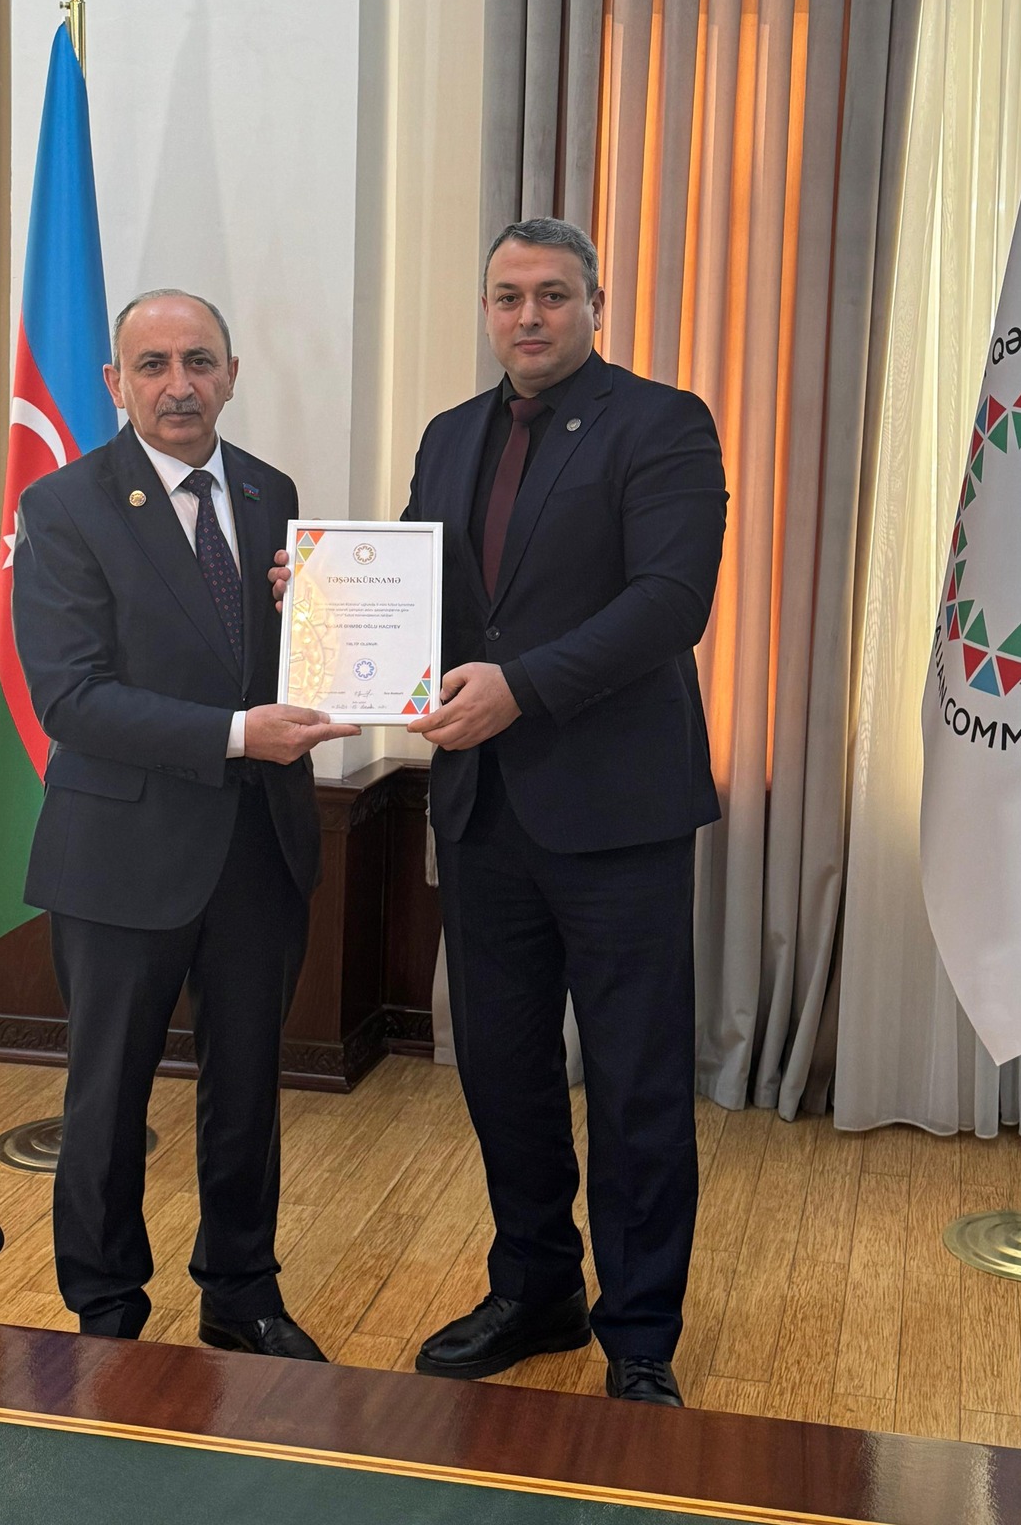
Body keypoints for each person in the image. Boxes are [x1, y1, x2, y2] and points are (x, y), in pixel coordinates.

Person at [277, 218, 727, 1405]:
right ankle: (536, 1287)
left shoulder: (663, 423)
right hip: (481, 811)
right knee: (503, 1069)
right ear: (486, 309)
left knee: (633, 1081)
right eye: (507, 295)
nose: (529, 315)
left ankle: (640, 1335)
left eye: (553, 294)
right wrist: (320, 599)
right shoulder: (450, 434)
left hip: (618, 813)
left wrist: (522, 687)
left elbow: (670, 602)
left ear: (595, 304)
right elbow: (427, 599)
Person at [12, 288, 357, 1352]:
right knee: (108, 1097)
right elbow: (71, 696)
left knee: (248, 1088)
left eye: (199, 361)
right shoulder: (63, 505)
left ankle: (242, 1293)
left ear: (232, 374)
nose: (179, 384)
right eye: (153, 364)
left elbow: (276, 656)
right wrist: (240, 733)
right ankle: (107, 1309)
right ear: (115, 383)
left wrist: (321, 621)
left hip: (258, 847)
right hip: (121, 852)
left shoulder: (269, 491)